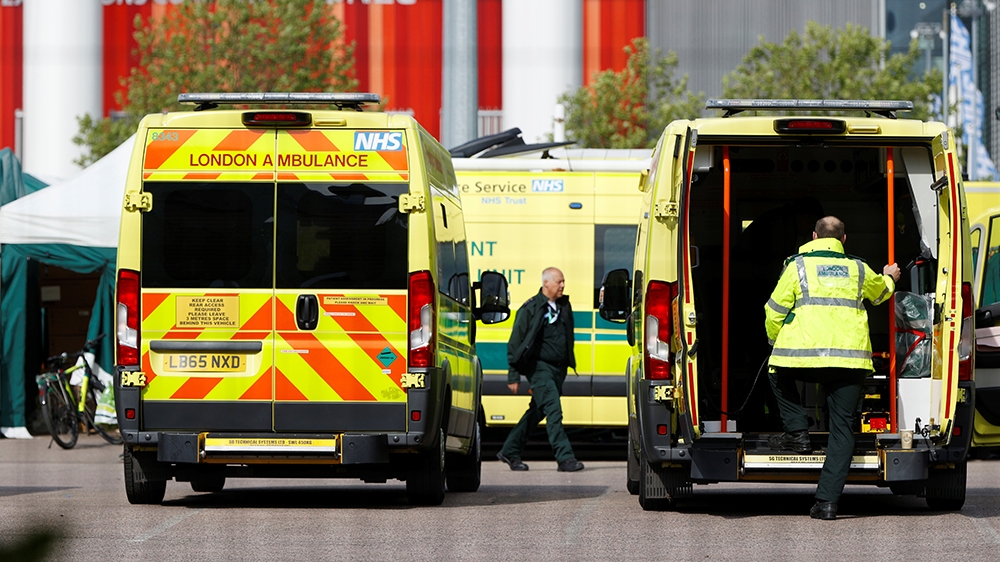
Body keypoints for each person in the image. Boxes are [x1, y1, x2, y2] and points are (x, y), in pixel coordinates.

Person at [764, 216, 900, 520]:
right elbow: (880, 294)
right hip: (849, 363)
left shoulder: (796, 266)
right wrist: (890, 276)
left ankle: (798, 431)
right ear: (844, 239)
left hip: (802, 360)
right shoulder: (859, 268)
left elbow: (773, 309)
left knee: (775, 371)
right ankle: (826, 503)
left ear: (814, 236)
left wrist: (776, 341)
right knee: (842, 429)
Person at [496, 267, 584, 472]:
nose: (562, 285)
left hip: (558, 370)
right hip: (539, 369)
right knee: (554, 411)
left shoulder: (564, 305)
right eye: (559, 282)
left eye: (564, 281)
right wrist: (513, 375)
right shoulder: (530, 309)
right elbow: (515, 343)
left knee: (537, 411)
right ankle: (565, 458)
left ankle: (510, 450)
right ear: (546, 284)